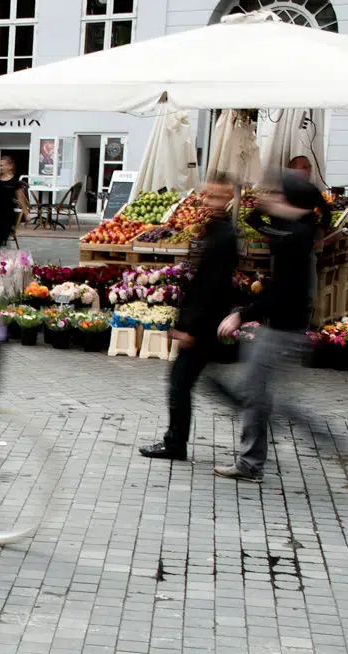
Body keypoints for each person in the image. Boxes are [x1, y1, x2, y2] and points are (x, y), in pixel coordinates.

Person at [212, 173, 326, 483]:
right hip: (283, 328)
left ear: (291, 203)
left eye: (278, 195)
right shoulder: (294, 230)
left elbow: (281, 291)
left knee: (255, 394)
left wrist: (242, 315)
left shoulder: (296, 238)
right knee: (260, 394)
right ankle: (260, 451)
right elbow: (256, 222)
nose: (271, 198)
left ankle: (253, 462)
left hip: (282, 330)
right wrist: (263, 204)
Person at [140, 173, 238, 462]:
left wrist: (189, 328)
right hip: (206, 323)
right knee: (189, 380)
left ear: (229, 197)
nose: (208, 200)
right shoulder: (215, 231)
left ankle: (176, 443)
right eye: (207, 194)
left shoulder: (224, 237)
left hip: (204, 325)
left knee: (180, 382)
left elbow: (211, 287)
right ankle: (249, 413)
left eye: (216, 195)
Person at [0, 155, 28, 247]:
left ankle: (2, 252)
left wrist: (26, 213)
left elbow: (21, 198)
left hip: (8, 214)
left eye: (3, 165)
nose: (1, 168)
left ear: (10, 166)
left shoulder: (15, 182)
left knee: (3, 238)